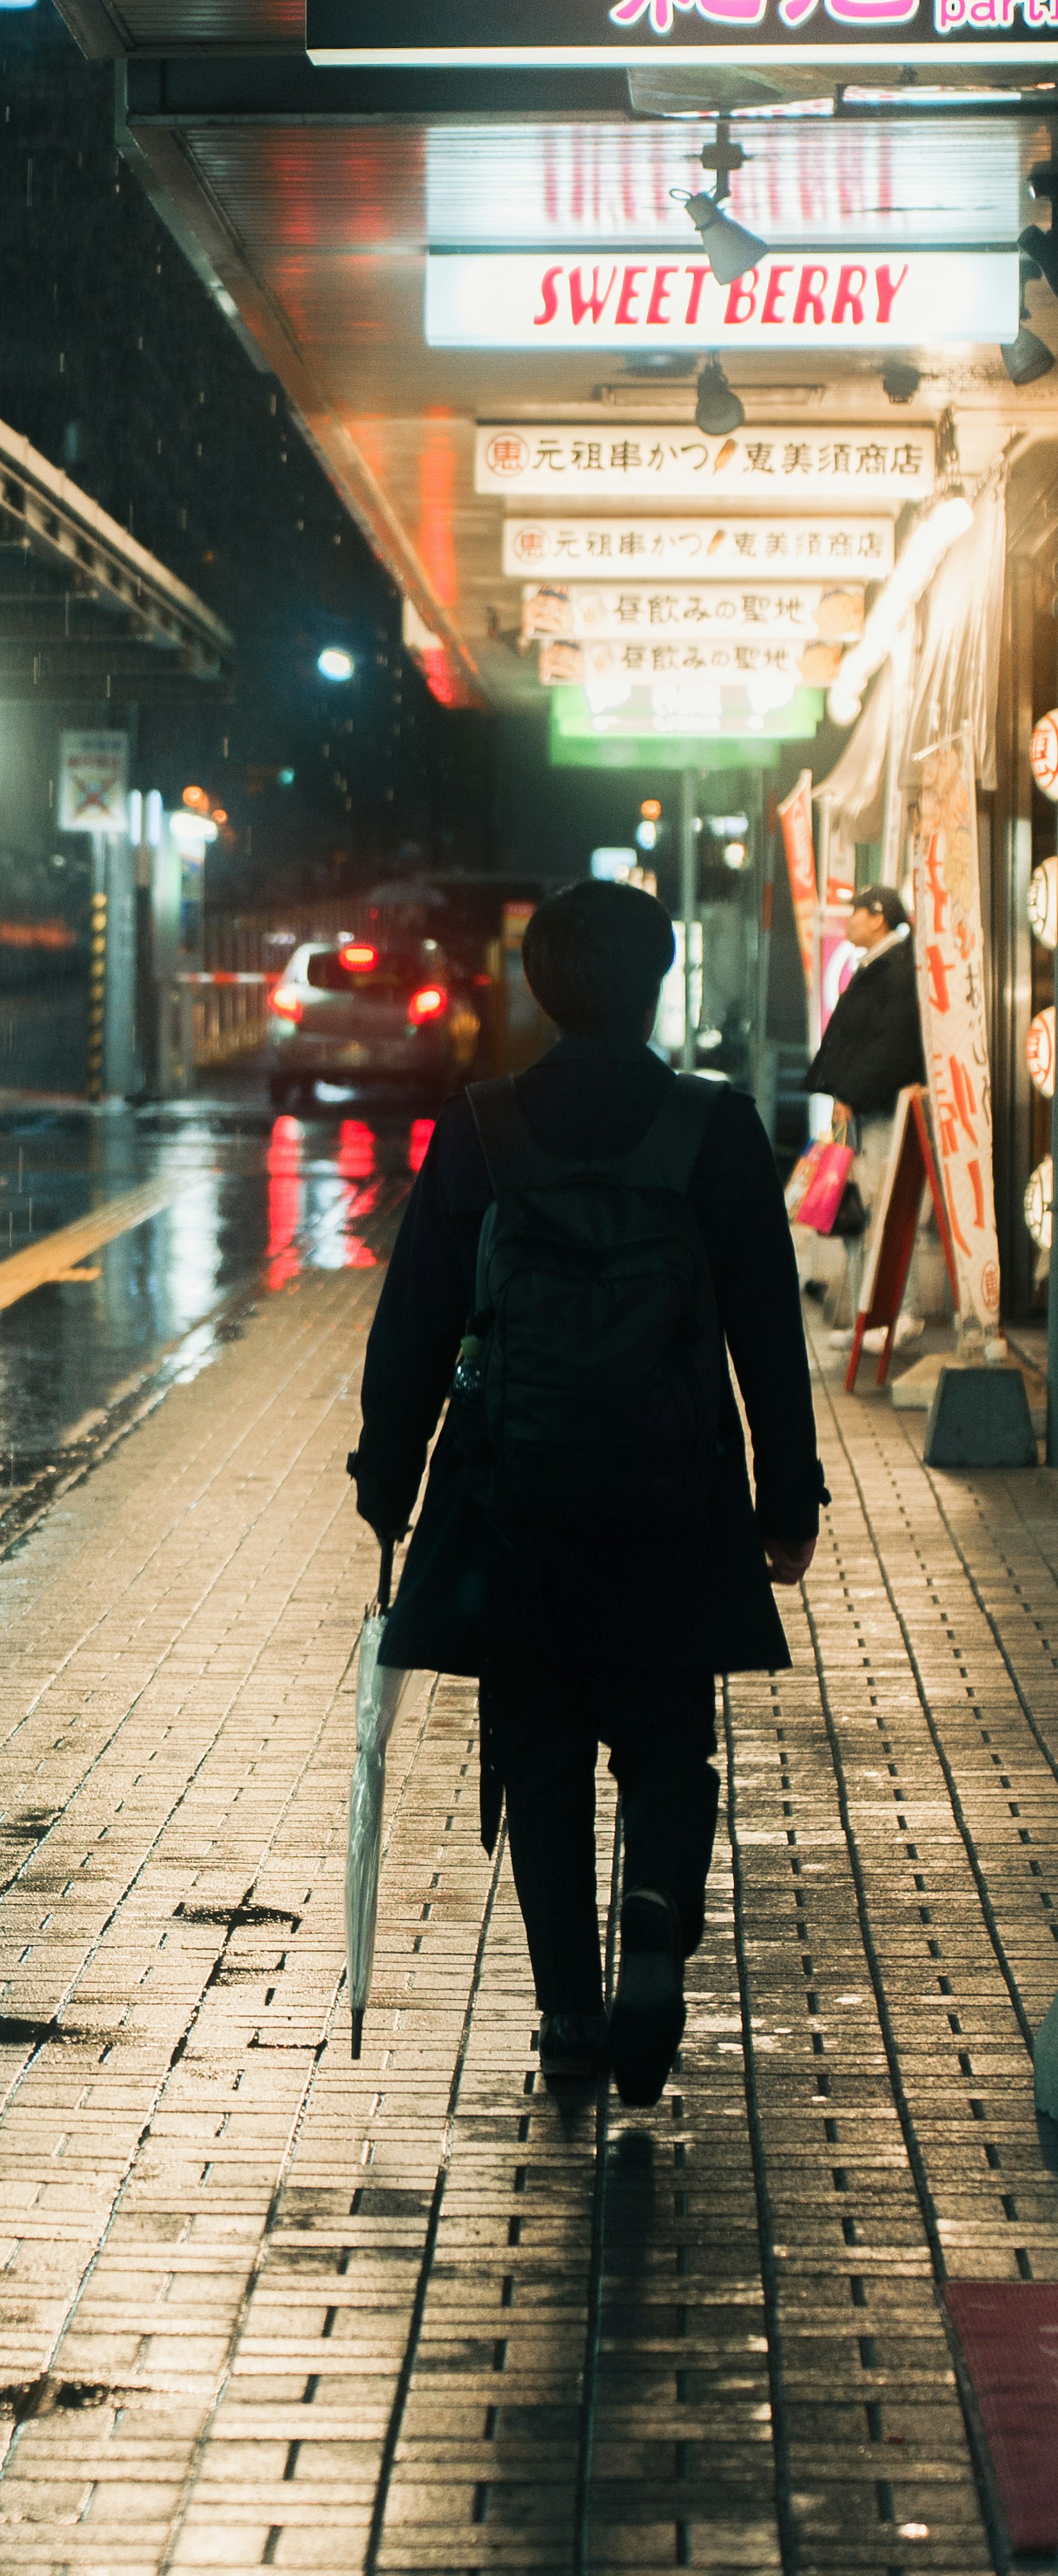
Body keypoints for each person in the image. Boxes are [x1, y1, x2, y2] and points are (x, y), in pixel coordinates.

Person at [348, 879, 825, 2107]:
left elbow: (414, 1327)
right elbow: (767, 1327)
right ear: (659, 977)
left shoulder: (485, 1125)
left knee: (540, 1753)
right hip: (675, 1496)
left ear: (542, 988)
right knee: (668, 1738)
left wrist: (387, 1481)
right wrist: (789, 1498)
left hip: (520, 1500)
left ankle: (567, 2019)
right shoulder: (714, 1130)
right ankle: (656, 1918)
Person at [805, 887, 929, 1324]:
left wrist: (850, 1096)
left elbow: (890, 1047)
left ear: (877, 916)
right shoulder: (880, 965)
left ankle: (899, 1314)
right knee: (855, 1209)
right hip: (857, 1107)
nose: (848, 921)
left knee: (881, 1209)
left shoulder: (894, 969)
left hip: (875, 1109)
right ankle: (867, 1317)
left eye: (855, 912)